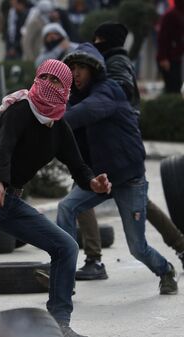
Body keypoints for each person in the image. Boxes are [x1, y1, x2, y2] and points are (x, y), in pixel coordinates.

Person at [0, 59, 111, 337]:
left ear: (66, 90)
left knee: (66, 246)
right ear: (37, 78)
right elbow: (2, 148)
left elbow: (77, 165)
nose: (50, 85)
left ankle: (59, 324)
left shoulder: (59, 128)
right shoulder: (19, 110)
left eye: (57, 82)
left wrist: (93, 182)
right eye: (46, 78)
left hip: (9, 200)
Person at [56, 43, 178, 295]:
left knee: (137, 247)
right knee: (66, 207)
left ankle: (166, 270)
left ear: (93, 69)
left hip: (128, 178)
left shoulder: (108, 90)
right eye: (72, 69)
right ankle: (64, 276)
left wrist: (53, 120)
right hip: (100, 178)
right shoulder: (74, 100)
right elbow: (67, 141)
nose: (75, 73)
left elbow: (86, 112)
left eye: (80, 68)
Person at [156, 0, 184, 93]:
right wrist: (163, 58)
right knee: (173, 89)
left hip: (178, 57)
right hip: (170, 58)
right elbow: (162, 38)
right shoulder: (171, 15)